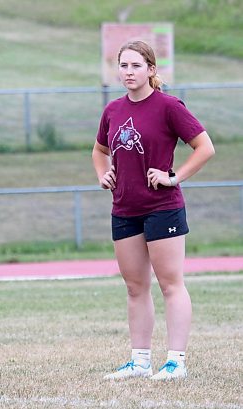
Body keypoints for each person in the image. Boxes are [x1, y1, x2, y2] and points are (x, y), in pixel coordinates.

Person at [92, 40, 215, 380]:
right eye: (123, 66)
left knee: (170, 284)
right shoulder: (113, 110)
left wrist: (174, 177)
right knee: (135, 287)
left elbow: (205, 147)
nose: (128, 72)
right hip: (124, 208)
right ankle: (140, 361)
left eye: (135, 65)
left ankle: (176, 361)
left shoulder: (168, 106)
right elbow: (99, 151)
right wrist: (104, 174)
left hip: (163, 208)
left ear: (151, 69)